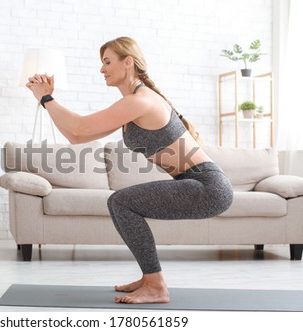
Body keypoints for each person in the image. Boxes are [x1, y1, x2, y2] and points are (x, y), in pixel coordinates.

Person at [26, 36, 233, 304]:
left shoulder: (141, 100)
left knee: (121, 202)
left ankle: (156, 285)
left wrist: (47, 98)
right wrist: (46, 101)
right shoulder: (133, 103)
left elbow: (79, 128)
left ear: (128, 63)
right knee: (121, 203)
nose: (102, 69)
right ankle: (150, 278)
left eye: (107, 62)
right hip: (198, 183)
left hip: (207, 187)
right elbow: (76, 136)